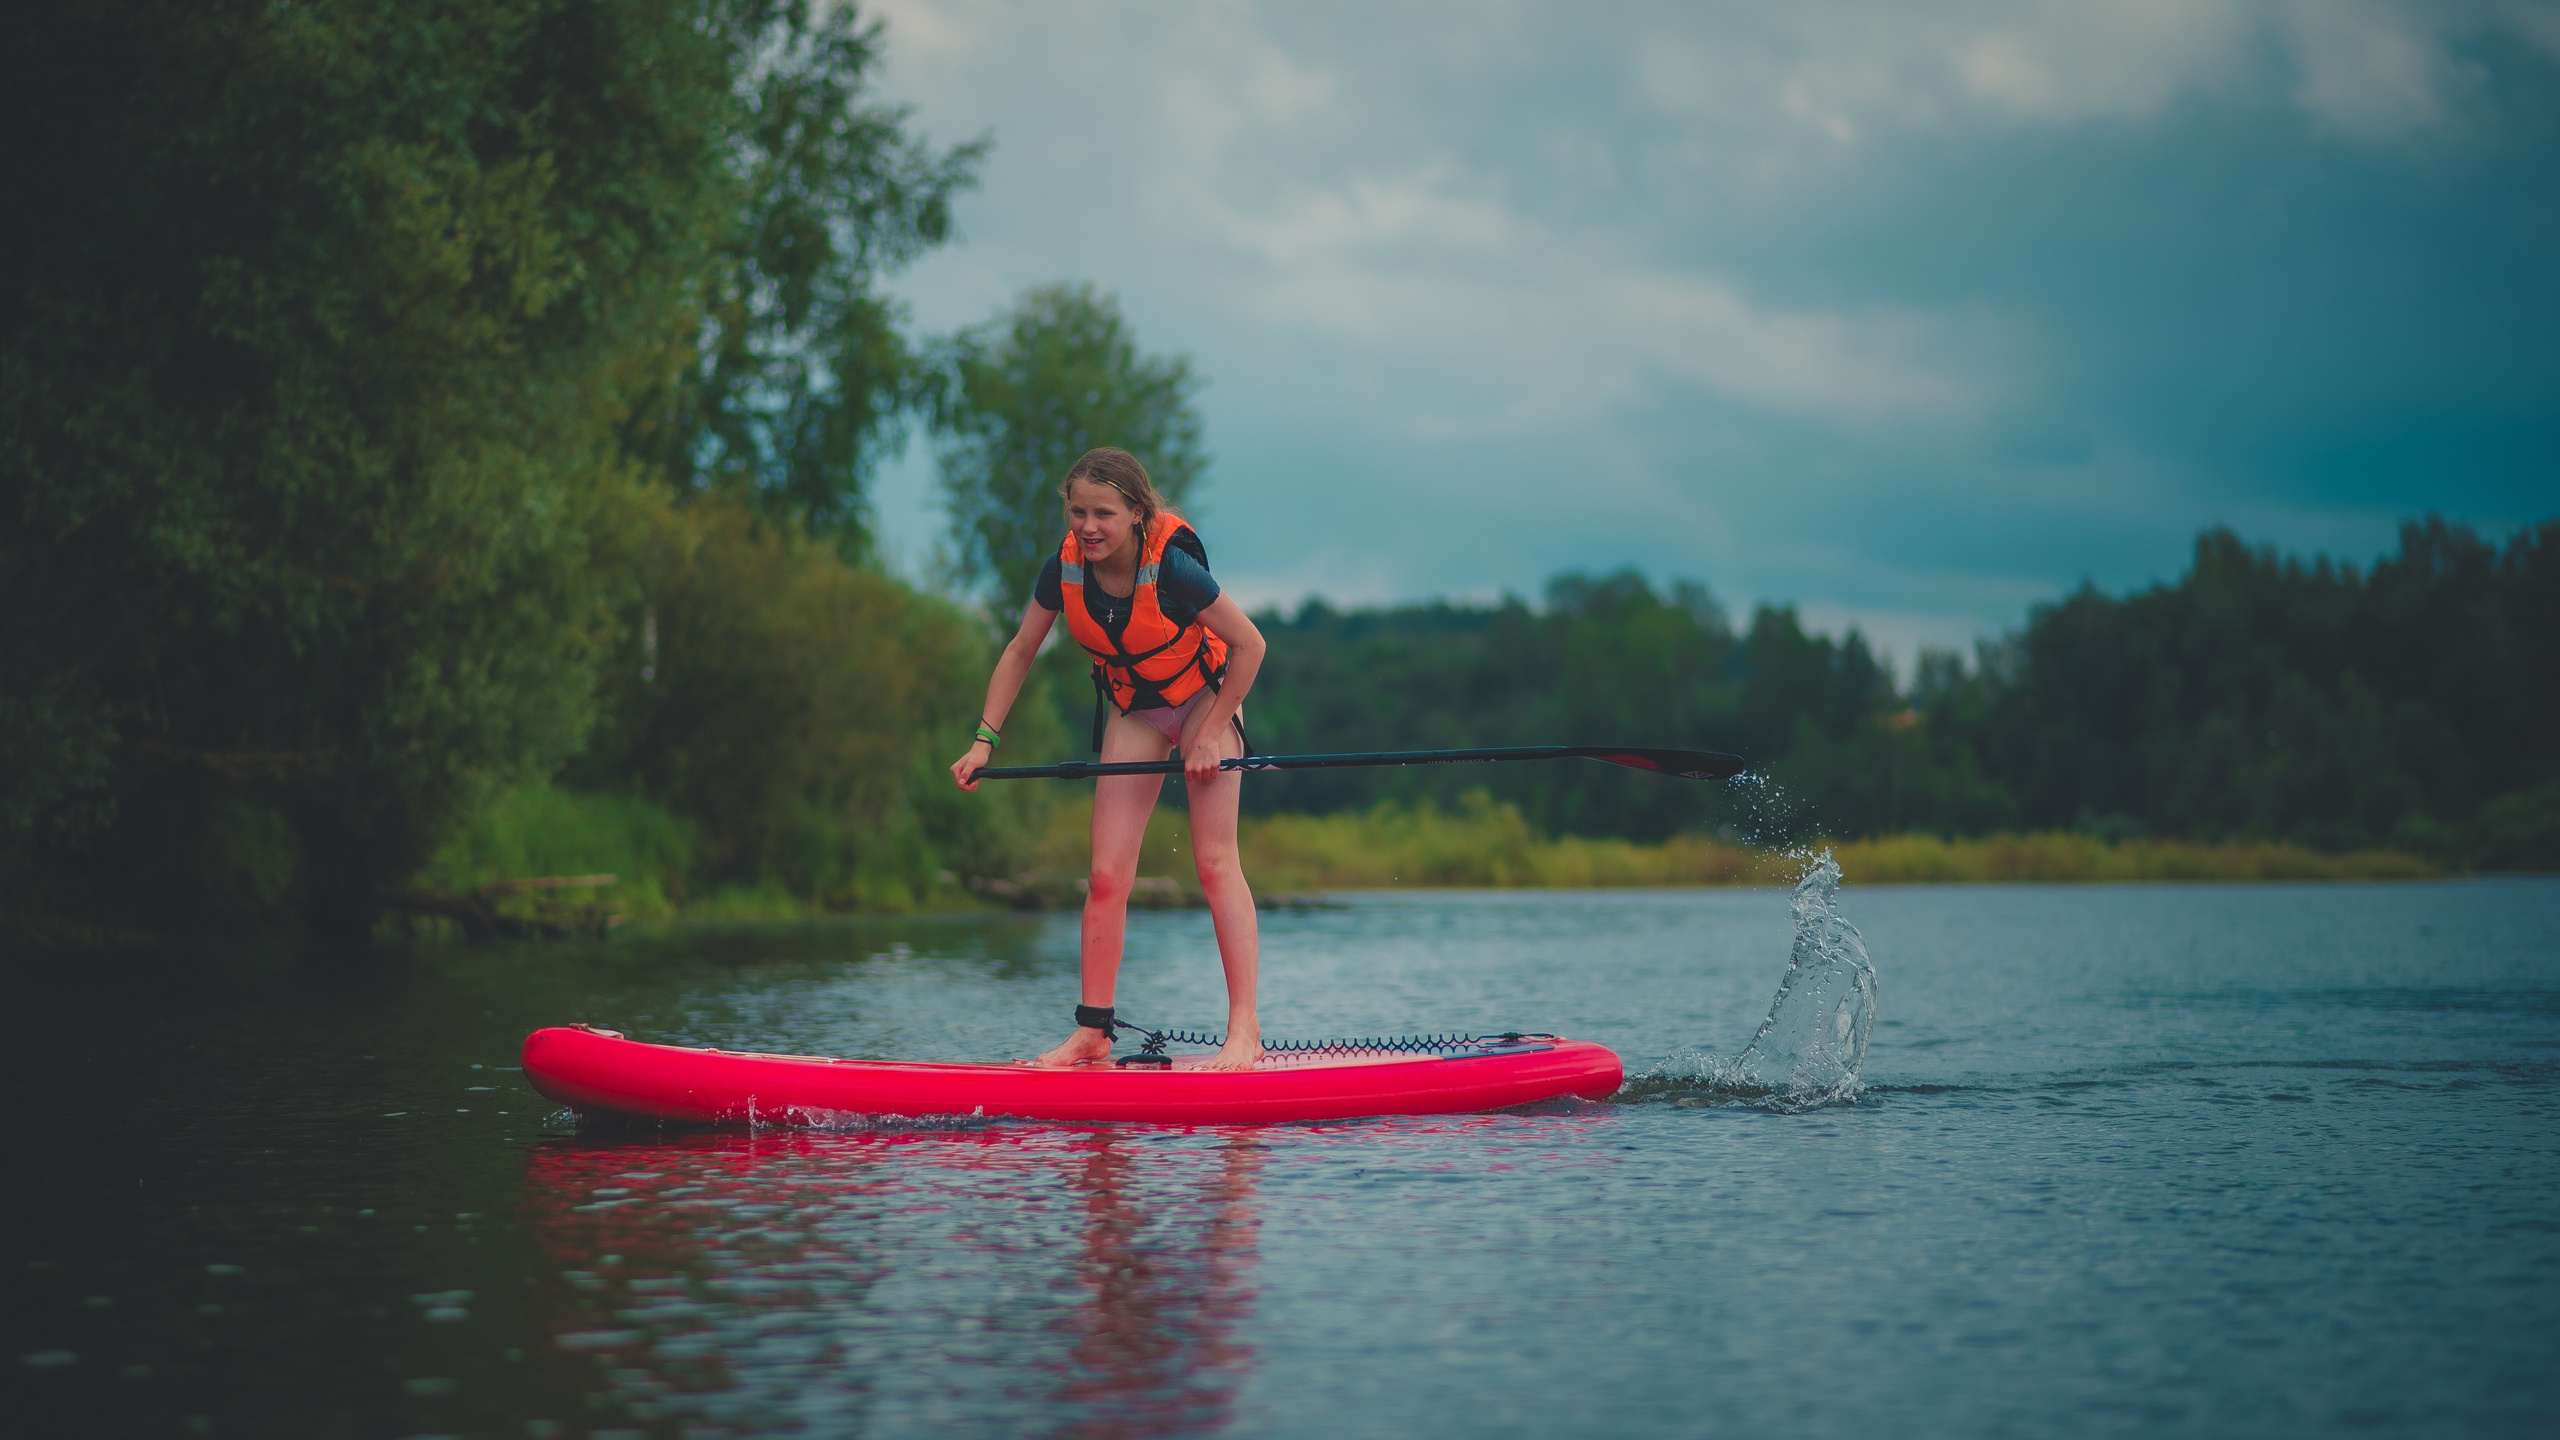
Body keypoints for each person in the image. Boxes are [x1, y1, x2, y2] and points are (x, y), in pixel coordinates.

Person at [951, 448, 1268, 1071]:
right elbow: (1019, 652)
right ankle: (1093, 1034)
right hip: (1136, 709)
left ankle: (1245, 1033)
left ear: (1137, 514)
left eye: (1104, 513)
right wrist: (983, 738)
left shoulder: (1175, 569)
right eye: (1078, 512)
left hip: (1207, 698)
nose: (1088, 527)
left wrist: (1207, 736)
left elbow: (1250, 645)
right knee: (1105, 877)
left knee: (1213, 863)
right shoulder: (1061, 570)